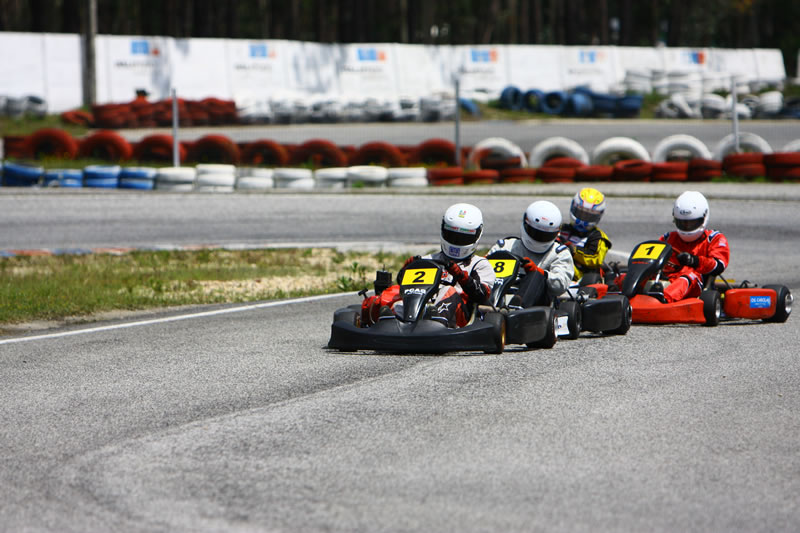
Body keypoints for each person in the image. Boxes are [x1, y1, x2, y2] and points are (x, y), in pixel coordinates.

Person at [361, 203, 496, 328]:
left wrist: (461, 276)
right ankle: (390, 322)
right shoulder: (429, 259)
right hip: (422, 305)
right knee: (396, 295)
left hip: (459, 315)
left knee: (448, 290)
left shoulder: (480, 264)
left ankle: (436, 320)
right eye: (452, 235)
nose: (456, 241)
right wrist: (406, 270)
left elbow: (482, 295)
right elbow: (405, 285)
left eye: (463, 238)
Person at [489, 200, 574, 305]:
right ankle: (486, 306)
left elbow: (561, 285)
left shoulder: (559, 254)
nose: (539, 238)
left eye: (544, 236)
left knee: (536, 275)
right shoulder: (505, 247)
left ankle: (517, 307)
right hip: (499, 296)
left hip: (537, 306)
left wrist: (539, 272)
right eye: (536, 233)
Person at [652, 190, 730, 303]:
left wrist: (694, 261)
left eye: (691, 223)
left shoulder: (714, 238)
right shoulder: (668, 238)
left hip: (695, 284)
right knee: (631, 275)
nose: (687, 227)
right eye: (682, 223)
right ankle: (626, 297)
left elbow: (718, 265)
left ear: (703, 218)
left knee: (687, 277)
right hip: (665, 279)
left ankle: (664, 300)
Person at [557, 187, 612, 284]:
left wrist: (573, 250)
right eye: (580, 213)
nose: (583, 219)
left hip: (580, 278)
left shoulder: (598, 237)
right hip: (556, 266)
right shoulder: (561, 229)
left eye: (588, 216)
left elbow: (596, 258)